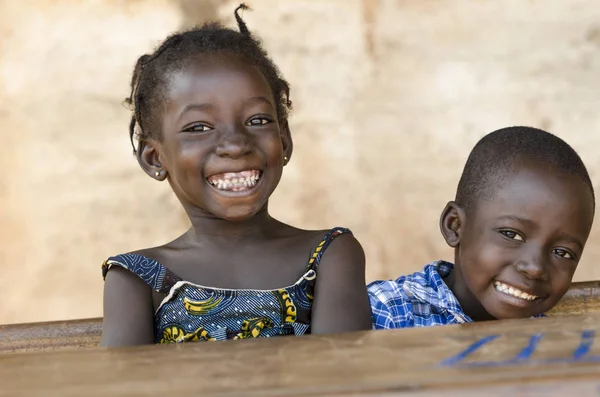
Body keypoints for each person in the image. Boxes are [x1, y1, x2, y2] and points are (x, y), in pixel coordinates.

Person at [100, 4, 372, 346]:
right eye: (198, 127)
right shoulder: (138, 278)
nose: (235, 144)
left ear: (284, 140)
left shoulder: (329, 254)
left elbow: (343, 376)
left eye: (258, 120)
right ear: (155, 158)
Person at [368, 126, 595, 328]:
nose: (535, 268)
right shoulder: (391, 313)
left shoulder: (556, 341)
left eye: (562, 252)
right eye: (511, 234)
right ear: (455, 226)